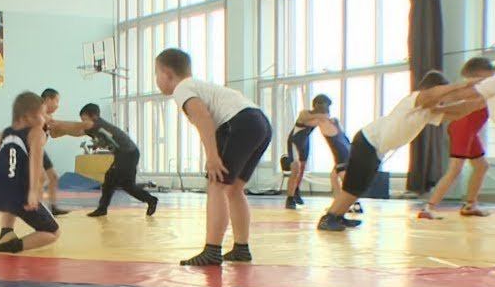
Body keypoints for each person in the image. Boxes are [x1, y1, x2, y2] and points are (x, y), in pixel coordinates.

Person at [318, 71, 479, 231]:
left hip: (375, 147)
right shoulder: (414, 100)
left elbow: (458, 112)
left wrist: (483, 99)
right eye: (441, 95)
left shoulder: (427, 112)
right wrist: (463, 85)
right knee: (353, 186)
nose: (441, 101)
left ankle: (338, 216)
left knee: (359, 187)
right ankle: (329, 218)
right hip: (368, 141)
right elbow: (434, 94)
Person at [155, 48, 273, 266]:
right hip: (260, 124)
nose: (156, 80)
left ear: (167, 73)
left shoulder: (182, 88)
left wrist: (212, 157)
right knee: (233, 188)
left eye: (156, 74)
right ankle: (241, 248)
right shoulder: (199, 86)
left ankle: (212, 250)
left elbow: (203, 118)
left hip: (241, 123)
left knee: (216, 184)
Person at [418, 57, 495, 219]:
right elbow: (452, 98)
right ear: (481, 75)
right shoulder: (475, 89)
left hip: (470, 131)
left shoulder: (485, 88)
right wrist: (436, 106)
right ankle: (429, 207)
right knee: (455, 169)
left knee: (482, 166)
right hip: (463, 129)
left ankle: (470, 205)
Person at [0, 91, 60, 253]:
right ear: (27, 117)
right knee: (53, 233)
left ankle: (6, 233)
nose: (45, 118)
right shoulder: (37, 132)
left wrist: (1, 175)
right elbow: (36, 164)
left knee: (10, 199)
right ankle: (11, 246)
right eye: (42, 114)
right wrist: (33, 192)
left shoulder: (5, 132)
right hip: (19, 197)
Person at [49, 103, 159, 217]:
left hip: (127, 153)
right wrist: (61, 132)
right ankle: (150, 200)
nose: (83, 122)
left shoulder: (97, 124)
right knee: (124, 184)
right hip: (127, 154)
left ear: (94, 116)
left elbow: (78, 126)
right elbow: (77, 132)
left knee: (112, 179)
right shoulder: (94, 127)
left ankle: (103, 208)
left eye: (84, 119)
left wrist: (57, 123)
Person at [283, 96, 327, 209]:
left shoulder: (319, 117)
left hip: (305, 142)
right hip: (295, 141)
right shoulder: (304, 113)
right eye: (323, 106)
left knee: (302, 170)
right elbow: (312, 120)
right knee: (295, 169)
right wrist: (322, 116)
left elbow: (321, 122)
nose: (325, 109)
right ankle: (289, 199)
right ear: (316, 105)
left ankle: (296, 190)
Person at [37, 88, 70, 216]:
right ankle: (36, 208)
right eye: (56, 101)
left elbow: (54, 134)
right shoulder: (38, 110)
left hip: (40, 149)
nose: (58, 105)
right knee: (41, 178)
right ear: (47, 99)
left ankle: (53, 206)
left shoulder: (48, 116)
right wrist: (82, 127)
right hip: (30, 149)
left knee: (53, 177)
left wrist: (68, 131)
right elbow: (53, 124)